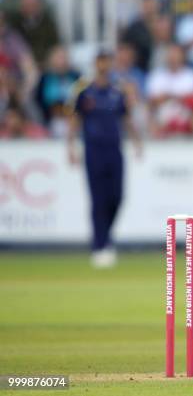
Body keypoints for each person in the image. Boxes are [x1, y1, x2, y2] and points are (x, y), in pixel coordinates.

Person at [67, 51, 142, 268]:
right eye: (100, 61)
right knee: (98, 199)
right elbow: (75, 120)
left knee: (117, 197)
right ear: (95, 64)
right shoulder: (84, 91)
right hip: (93, 150)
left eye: (107, 61)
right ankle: (100, 246)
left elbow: (126, 118)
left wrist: (137, 142)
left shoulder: (118, 91)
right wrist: (70, 146)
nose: (104, 65)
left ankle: (105, 237)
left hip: (114, 149)